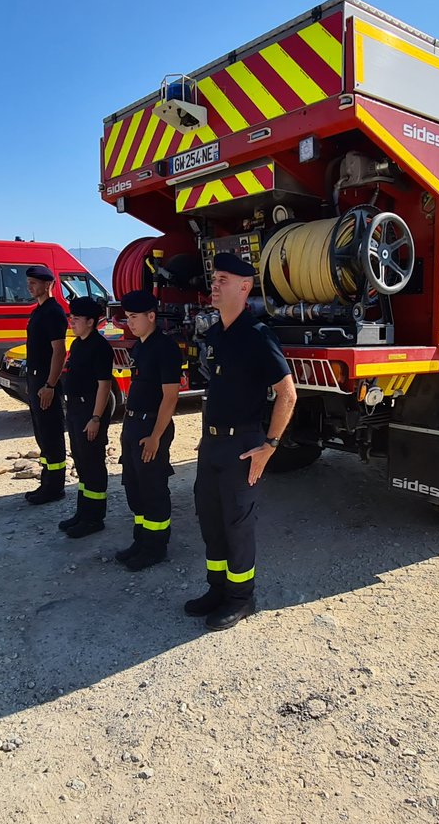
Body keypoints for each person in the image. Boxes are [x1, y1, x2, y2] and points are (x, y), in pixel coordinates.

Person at [185, 253, 296, 631]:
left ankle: (241, 597)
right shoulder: (215, 334)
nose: (214, 285)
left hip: (243, 446)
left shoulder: (257, 335)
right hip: (212, 445)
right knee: (211, 521)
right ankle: (217, 589)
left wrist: (270, 446)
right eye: (214, 278)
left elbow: (287, 394)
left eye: (223, 279)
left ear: (245, 287)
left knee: (237, 525)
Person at [115, 289, 182, 571]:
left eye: (134, 317)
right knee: (134, 486)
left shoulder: (164, 348)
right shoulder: (140, 346)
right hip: (133, 423)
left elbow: (170, 396)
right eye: (127, 317)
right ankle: (141, 540)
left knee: (153, 488)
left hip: (151, 425)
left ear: (151, 316)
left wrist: (155, 436)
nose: (130, 322)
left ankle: (156, 547)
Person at [57, 296, 115, 538]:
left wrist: (96, 418)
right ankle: (83, 512)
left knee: (92, 465)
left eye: (77, 319)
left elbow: (104, 386)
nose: (72, 322)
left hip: (90, 411)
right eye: (71, 318)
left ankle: (94, 518)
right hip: (75, 411)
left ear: (91, 321)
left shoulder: (100, 347)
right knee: (81, 462)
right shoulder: (79, 344)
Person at [23, 265, 68, 505]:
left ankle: (55, 487)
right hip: (36, 379)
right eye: (29, 282)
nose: (29, 287)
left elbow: (58, 352)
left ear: (48, 284)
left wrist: (50, 385)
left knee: (51, 434)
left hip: (46, 382)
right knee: (41, 434)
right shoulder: (38, 311)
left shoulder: (53, 312)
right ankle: (46, 482)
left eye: (34, 283)